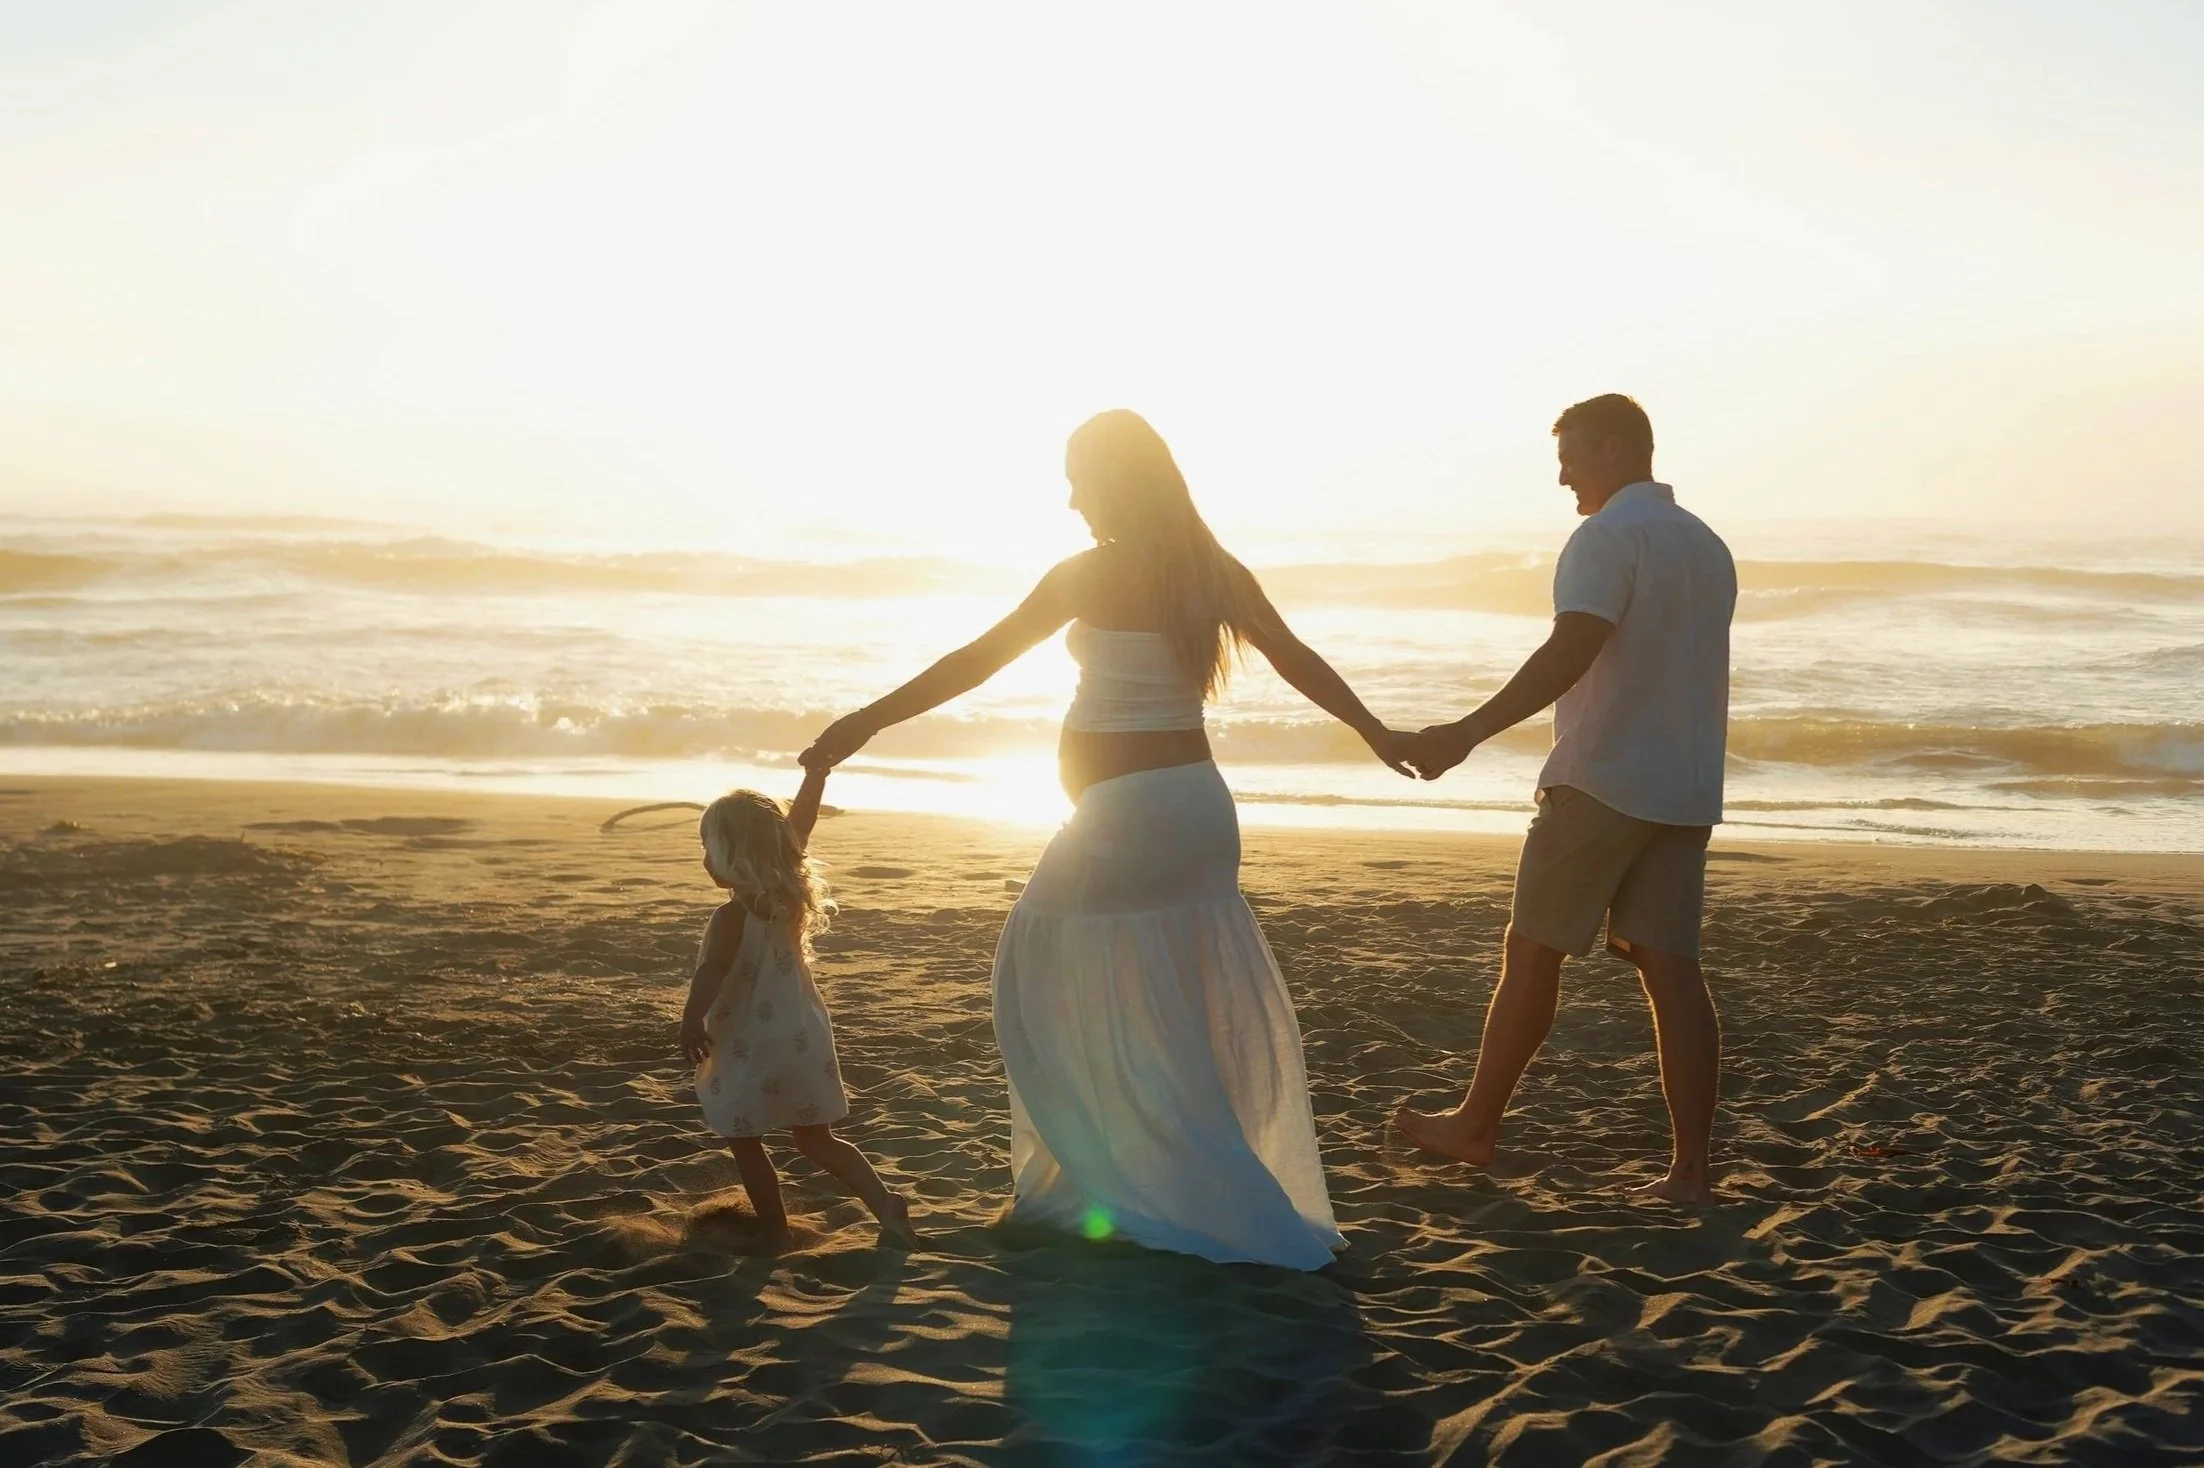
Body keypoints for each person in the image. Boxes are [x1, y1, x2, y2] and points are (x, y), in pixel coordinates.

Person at [802, 409, 1414, 1268]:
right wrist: (1377, 732)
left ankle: (1104, 1187)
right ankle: (1118, 1180)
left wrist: (863, 722)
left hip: (1129, 817)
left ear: (1115, 480)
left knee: (1035, 967)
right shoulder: (1212, 570)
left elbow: (976, 661)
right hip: (1197, 810)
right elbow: (1297, 657)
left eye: (1078, 478)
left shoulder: (1090, 574)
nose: (1070, 499)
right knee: (1157, 997)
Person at [1394, 394, 1737, 1203]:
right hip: (1684, 786)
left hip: (1603, 777)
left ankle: (1474, 1125)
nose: (1562, 478)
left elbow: (1571, 650)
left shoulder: (1606, 537)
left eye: (1573, 458)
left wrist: (1468, 730)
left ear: (1617, 450)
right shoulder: (1706, 544)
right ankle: (1690, 1172)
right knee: (1674, 972)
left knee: (1534, 949)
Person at [678, 765, 918, 1246]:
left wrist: (690, 1018)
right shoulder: (788, 896)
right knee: (815, 1138)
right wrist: (817, 772)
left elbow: (712, 972)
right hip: (802, 1034)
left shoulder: (731, 916)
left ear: (733, 854)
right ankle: (885, 1204)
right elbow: (800, 825)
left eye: (709, 849)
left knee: (745, 1140)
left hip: (749, 1040)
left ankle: (775, 1231)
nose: (704, 859)